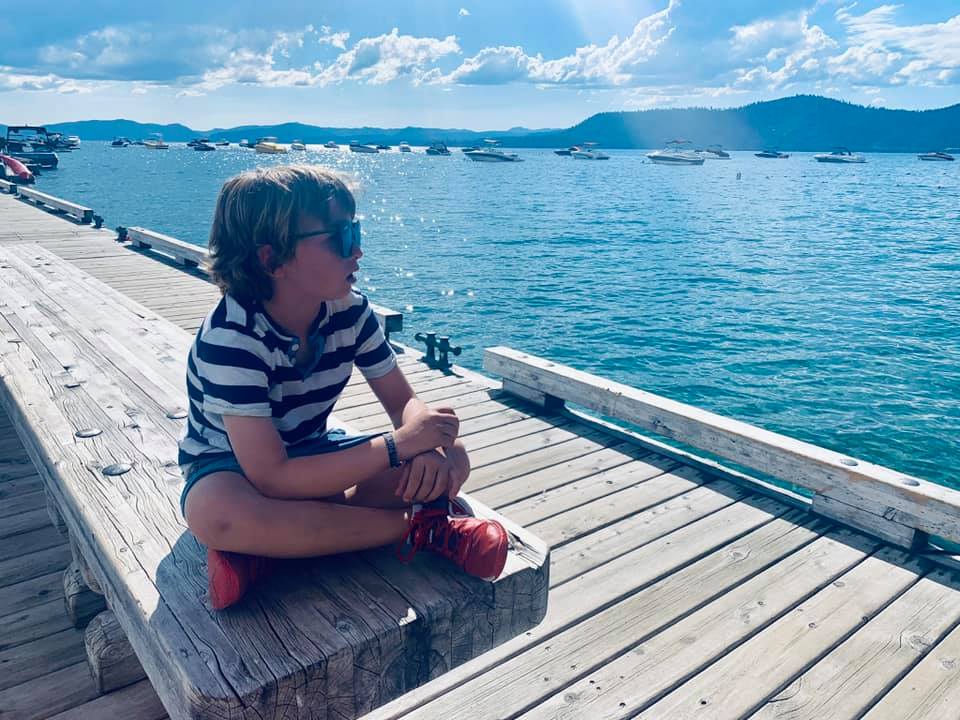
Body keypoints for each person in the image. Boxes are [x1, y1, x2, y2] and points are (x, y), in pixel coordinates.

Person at [178, 164, 508, 609]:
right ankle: (420, 529)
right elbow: (271, 476)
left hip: (313, 456)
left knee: (453, 456)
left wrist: (425, 443)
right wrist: (399, 447)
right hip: (235, 471)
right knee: (214, 515)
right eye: (341, 237)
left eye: (356, 231)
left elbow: (404, 401)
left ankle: (268, 556)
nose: (358, 251)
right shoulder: (232, 338)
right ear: (271, 259)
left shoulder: (349, 313)